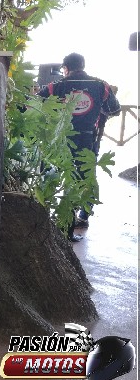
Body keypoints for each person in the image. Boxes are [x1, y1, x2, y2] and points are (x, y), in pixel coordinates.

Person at [37, 52, 120, 241]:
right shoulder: (101, 86)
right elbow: (115, 109)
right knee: (82, 182)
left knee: (51, 178)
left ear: (66, 69)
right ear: (83, 66)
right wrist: (98, 109)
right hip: (87, 141)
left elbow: (34, 103)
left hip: (59, 142)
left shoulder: (56, 86)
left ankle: (45, 225)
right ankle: (73, 225)